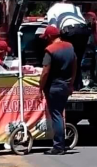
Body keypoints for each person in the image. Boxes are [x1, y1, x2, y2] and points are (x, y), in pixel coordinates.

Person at [39, 26, 77, 155]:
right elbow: (75, 65)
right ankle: (61, 144)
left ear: (50, 37)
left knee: (56, 116)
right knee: (59, 114)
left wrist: (40, 86)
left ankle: (58, 146)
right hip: (65, 86)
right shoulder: (70, 47)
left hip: (53, 87)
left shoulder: (50, 50)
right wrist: (71, 83)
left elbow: (45, 71)